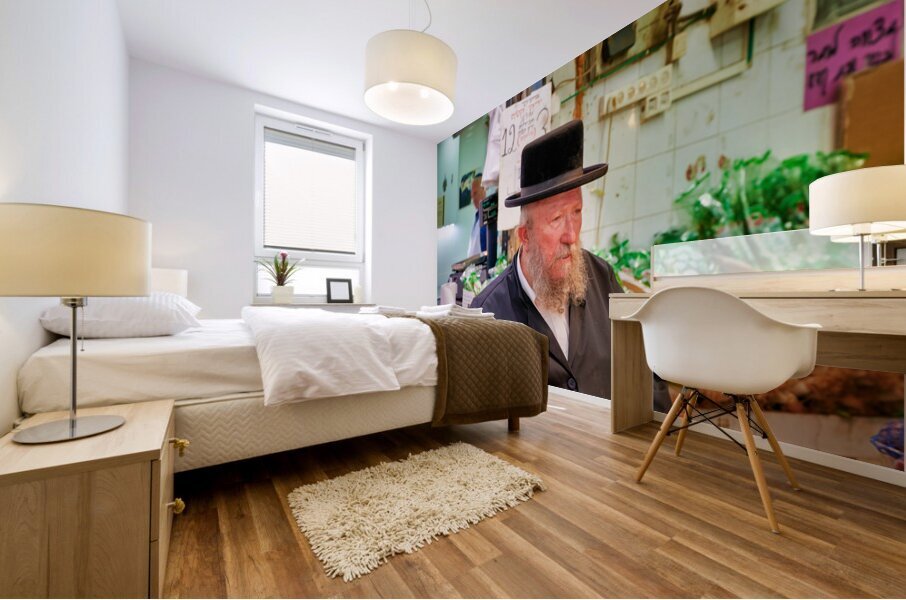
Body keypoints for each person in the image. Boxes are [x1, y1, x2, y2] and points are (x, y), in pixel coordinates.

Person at [471, 119, 624, 399]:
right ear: (524, 236)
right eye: (556, 219)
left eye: (576, 212)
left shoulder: (604, 280)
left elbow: (645, 378)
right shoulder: (488, 314)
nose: (571, 235)